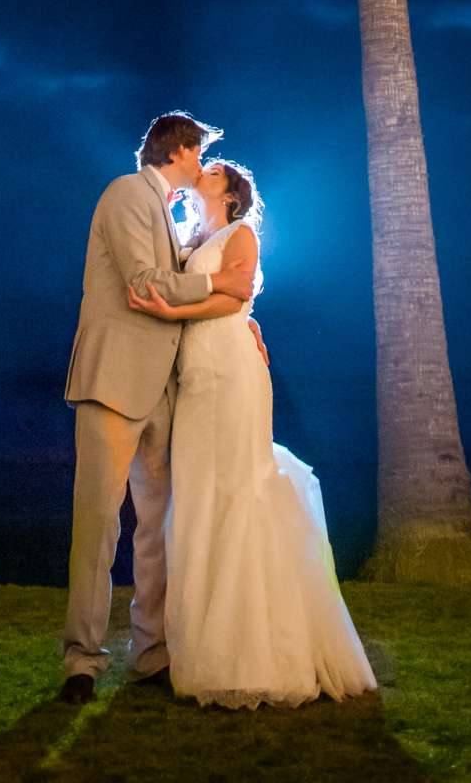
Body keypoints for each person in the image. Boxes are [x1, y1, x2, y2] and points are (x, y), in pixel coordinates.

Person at [127, 155, 376, 708]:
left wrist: (172, 314)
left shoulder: (240, 234)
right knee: (200, 499)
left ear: (231, 194)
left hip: (231, 371)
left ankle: (260, 649)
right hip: (196, 378)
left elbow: (237, 294)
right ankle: (200, 643)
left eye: (212, 170)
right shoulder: (194, 236)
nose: (204, 171)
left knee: (238, 490)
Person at [60, 110, 255, 701]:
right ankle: (81, 663)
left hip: (168, 392)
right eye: (199, 155)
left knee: (157, 529)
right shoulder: (125, 194)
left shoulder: (175, 214)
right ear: (178, 149)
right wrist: (219, 287)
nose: (201, 166)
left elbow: (182, 291)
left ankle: (152, 653)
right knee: (98, 525)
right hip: (115, 383)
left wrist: (239, 320)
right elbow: (142, 282)